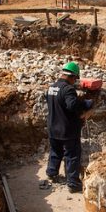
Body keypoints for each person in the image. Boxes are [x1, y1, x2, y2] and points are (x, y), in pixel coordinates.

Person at [45, 62, 93, 193]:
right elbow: (72, 105)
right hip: (67, 130)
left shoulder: (51, 88)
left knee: (55, 151)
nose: (75, 82)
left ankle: (51, 172)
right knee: (72, 155)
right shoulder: (68, 89)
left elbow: (53, 103)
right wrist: (84, 104)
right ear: (72, 76)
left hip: (53, 128)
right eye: (75, 79)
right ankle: (72, 183)